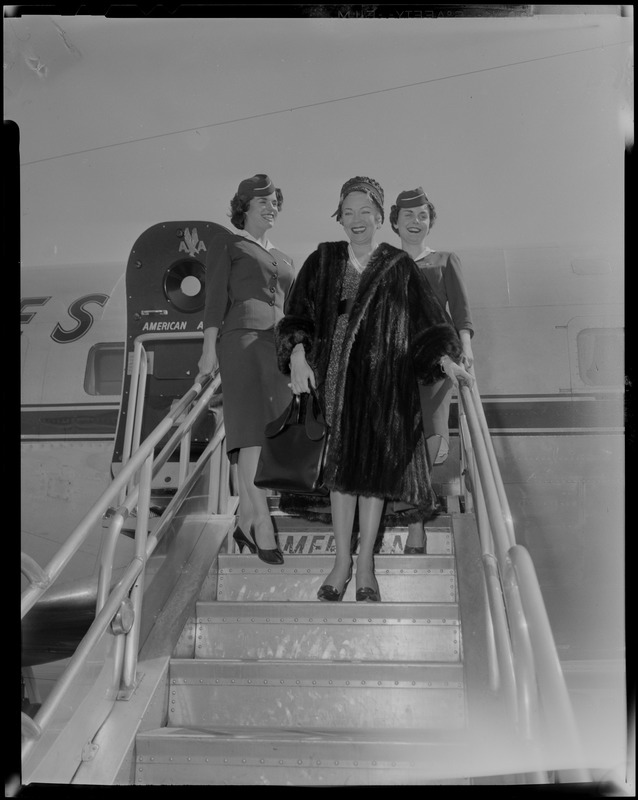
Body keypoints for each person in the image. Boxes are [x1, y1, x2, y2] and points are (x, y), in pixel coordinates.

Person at [275, 176, 473, 602]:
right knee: (343, 477)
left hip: (385, 387)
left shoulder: (398, 267)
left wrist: (445, 359)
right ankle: (341, 562)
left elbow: (426, 322)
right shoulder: (322, 260)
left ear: (382, 218)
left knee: (372, 477)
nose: (357, 219)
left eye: (366, 211)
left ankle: (365, 564)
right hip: (335, 382)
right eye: (348, 212)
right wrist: (295, 355)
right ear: (339, 218)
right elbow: (297, 317)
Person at [196, 174, 295, 565]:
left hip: (279, 348)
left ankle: (247, 515)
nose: (271, 208)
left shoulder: (286, 258)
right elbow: (214, 297)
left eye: (275, 202)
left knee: (270, 431)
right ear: (244, 208)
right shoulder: (228, 243)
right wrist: (208, 350)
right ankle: (262, 521)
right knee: (251, 429)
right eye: (262, 203)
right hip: (240, 341)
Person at [389, 186, 475, 554]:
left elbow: (461, 312)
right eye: (408, 215)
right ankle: (415, 525)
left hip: (437, 366)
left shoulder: (444, 260)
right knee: (400, 444)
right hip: (394, 366)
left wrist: (465, 349)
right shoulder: (386, 265)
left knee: (433, 444)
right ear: (394, 222)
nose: (415, 221)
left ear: (430, 221)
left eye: (422, 215)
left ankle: (417, 520)